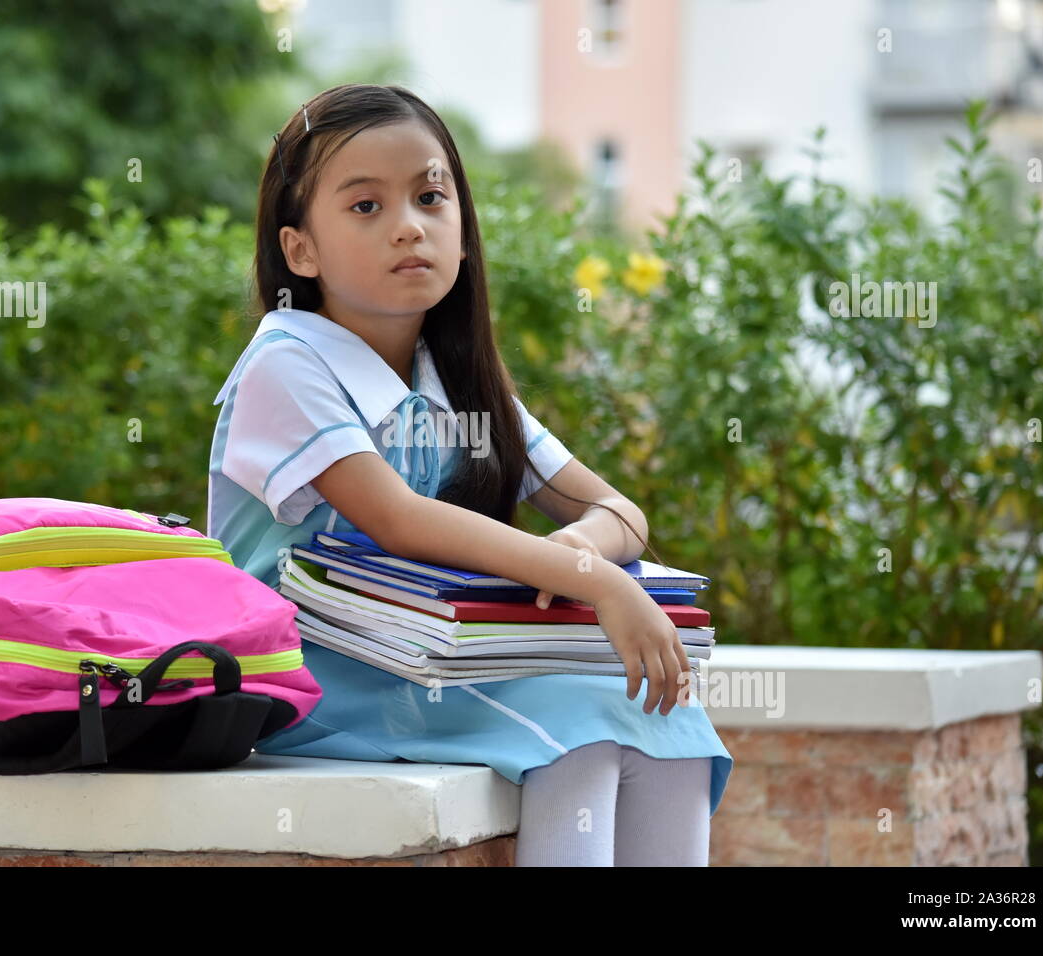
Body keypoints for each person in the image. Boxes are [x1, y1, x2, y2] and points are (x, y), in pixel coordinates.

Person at [207, 84, 732, 866]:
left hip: (428, 659)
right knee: (580, 734)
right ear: (300, 250)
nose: (409, 227)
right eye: (365, 207)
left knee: (673, 719)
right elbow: (399, 522)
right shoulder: (287, 362)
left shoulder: (457, 380)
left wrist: (582, 555)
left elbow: (616, 509)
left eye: (429, 196)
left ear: (462, 231)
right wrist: (596, 581)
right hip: (309, 677)